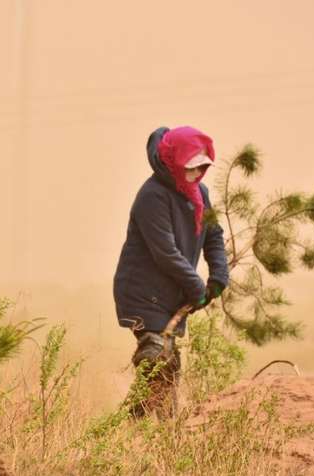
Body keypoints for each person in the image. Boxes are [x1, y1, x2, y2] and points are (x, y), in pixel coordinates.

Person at [113, 125, 230, 417]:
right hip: (143, 294)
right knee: (155, 359)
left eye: (202, 167)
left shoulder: (198, 192)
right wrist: (196, 288)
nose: (197, 173)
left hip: (171, 297)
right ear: (173, 161)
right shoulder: (152, 196)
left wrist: (219, 277)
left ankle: (164, 434)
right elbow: (165, 252)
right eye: (191, 166)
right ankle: (127, 430)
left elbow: (213, 235)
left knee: (168, 367)